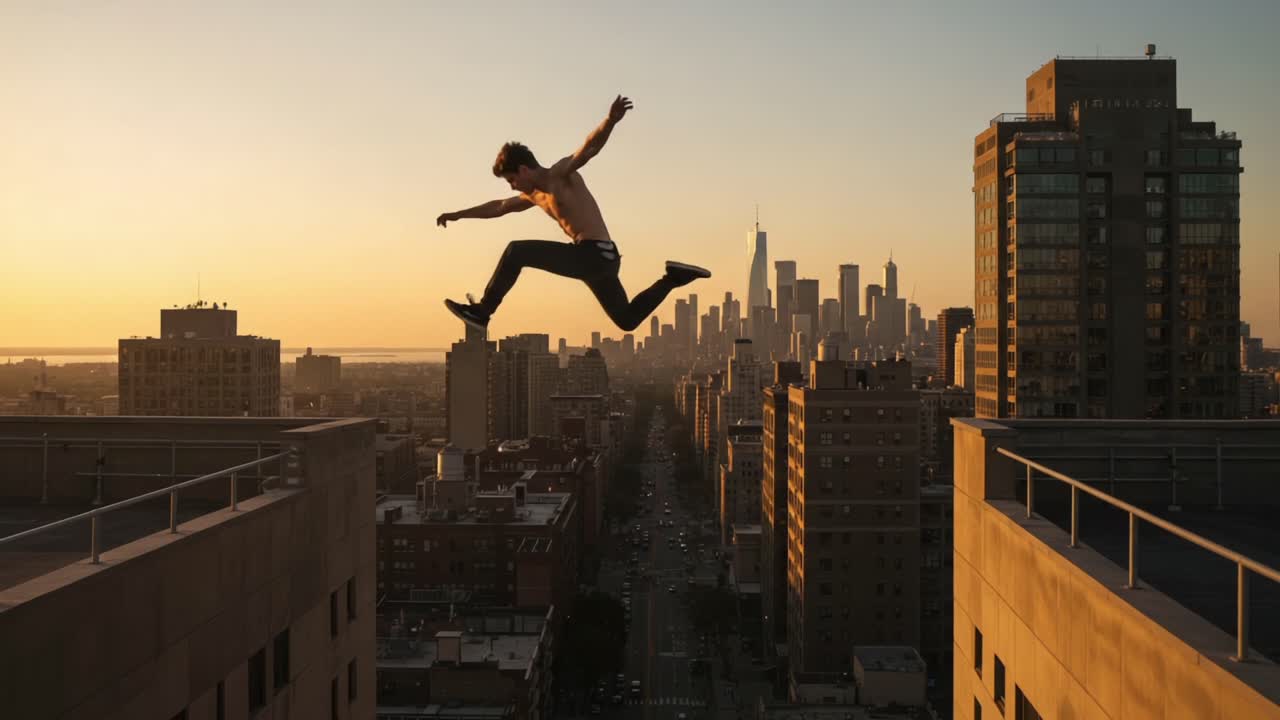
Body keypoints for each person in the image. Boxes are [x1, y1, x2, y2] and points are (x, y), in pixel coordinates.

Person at [436, 95, 710, 331]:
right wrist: (458, 214)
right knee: (626, 320)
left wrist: (610, 121)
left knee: (516, 251)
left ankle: (482, 313)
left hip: (591, 254)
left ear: (523, 170)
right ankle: (672, 278)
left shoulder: (559, 175)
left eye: (511, 180)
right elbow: (499, 207)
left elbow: (589, 148)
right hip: (602, 259)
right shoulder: (534, 195)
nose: (513, 186)